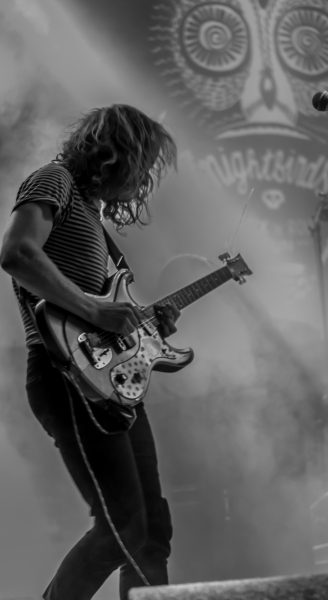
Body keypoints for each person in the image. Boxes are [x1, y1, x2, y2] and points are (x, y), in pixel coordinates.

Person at [0, 104, 181, 600]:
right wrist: (97, 310)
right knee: (122, 525)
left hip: (108, 382)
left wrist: (144, 324)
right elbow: (16, 253)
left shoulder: (91, 216)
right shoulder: (53, 181)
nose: (143, 180)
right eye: (143, 164)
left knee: (150, 528)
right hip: (65, 376)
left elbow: (100, 313)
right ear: (116, 153)